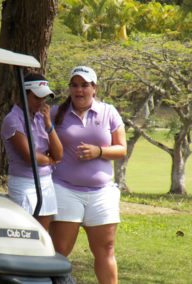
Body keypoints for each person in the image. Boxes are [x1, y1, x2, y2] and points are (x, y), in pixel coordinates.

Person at [50, 66, 127, 284]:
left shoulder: (108, 112)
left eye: (85, 85)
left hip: (102, 193)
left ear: (94, 88)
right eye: (74, 85)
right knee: (60, 250)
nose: (79, 90)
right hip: (65, 189)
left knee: (106, 249)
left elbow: (121, 149)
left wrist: (99, 151)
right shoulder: (56, 113)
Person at [1, 73, 63, 230]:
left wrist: (49, 124)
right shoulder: (12, 119)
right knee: (24, 232)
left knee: (42, 233)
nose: (41, 102)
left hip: (46, 181)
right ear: (24, 94)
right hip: (24, 182)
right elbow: (29, 157)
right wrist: (49, 160)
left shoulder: (42, 118)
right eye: (37, 97)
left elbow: (59, 154)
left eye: (44, 98)